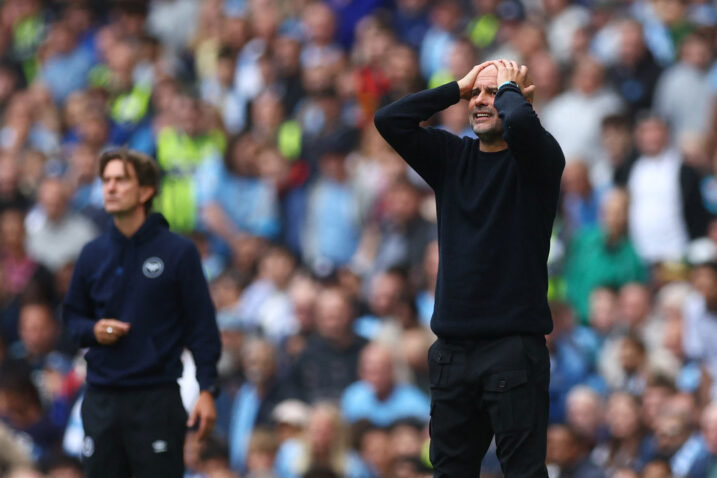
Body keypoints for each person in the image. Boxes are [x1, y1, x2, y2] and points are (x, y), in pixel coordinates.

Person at [374, 59, 564, 476]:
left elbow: (523, 129)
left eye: (493, 92)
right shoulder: (451, 157)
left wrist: (512, 91)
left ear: (521, 99)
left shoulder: (538, 161)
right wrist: (457, 87)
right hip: (452, 354)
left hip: (513, 350)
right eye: (475, 94)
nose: (480, 101)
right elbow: (389, 119)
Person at [62, 148, 221, 478]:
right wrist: (95, 331)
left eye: (121, 180)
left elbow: (202, 325)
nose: (111, 188)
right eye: (106, 180)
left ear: (146, 191)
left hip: (156, 398)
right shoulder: (92, 254)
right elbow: (72, 319)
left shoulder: (178, 253)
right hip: (102, 398)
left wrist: (207, 390)